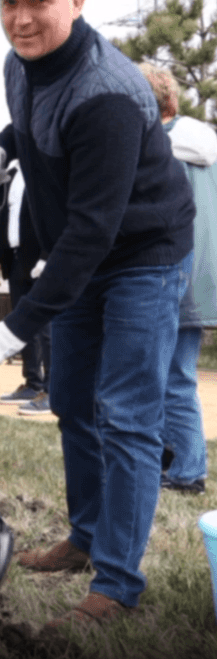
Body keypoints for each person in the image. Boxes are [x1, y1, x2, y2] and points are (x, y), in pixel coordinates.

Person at [0, 0, 194, 630]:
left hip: (141, 255)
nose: (22, 18)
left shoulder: (109, 92)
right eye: (10, 2)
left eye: (40, 2)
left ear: (77, 0)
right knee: (70, 397)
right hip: (82, 249)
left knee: (126, 414)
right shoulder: (19, 62)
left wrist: (16, 323)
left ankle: (118, 584)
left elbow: (95, 231)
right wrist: (2, 146)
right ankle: (87, 537)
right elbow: (30, 114)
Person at [140, 62, 216, 494]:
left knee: (172, 377)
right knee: (174, 372)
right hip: (205, 272)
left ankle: (188, 472)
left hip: (176, 270)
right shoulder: (205, 141)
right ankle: (173, 457)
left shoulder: (161, 149)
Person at [0, 165, 52, 415]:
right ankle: (32, 382)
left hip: (41, 257)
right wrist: (0, 259)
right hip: (17, 258)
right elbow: (1, 216)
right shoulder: (10, 176)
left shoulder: (43, 169)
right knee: (23, 324)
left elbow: (55, 215)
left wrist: (47, 255)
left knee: (46, 327)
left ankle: (52, 390)